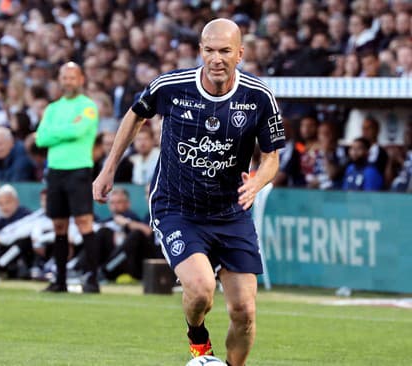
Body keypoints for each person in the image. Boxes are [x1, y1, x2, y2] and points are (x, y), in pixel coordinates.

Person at [93, 19, 285, 366]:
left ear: (239, 54)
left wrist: (257, 181)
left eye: (225, 51)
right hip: (178, 207)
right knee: (200, 292)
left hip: (231, 212)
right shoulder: (170, 86)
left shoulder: (258, 96)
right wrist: (108, 169)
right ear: (200, 51)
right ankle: (198, 338)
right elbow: (135, 117)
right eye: (209, 50)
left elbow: (272, 157)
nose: (216, 58)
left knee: (244, 311)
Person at [35, 62, 100, 293]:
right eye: (64, 77)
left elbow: (79, 131)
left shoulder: (88, 106)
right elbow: (40, 139)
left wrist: (55, 132)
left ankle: (92, 279)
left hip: (79, 169)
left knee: (84, 222)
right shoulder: (52, 108)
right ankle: (59, 280)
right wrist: (64, 130)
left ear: (81, 79)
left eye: (72, 77)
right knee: (58, 225)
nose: (68, 81)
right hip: (55, 171)